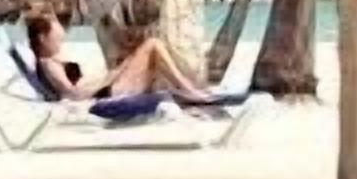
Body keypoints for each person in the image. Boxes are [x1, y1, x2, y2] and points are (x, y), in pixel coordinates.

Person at [22, 12, 223, 105]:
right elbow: (73, 95)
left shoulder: (51, 60)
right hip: (106, 94)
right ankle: (188, 91)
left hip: (107, 88)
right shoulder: (48, 64)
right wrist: (107, 79)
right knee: (153, 45)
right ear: (43, 38)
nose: (61, 37)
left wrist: (113, 73)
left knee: (148, 52)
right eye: (57, 35)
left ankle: (186, 90)